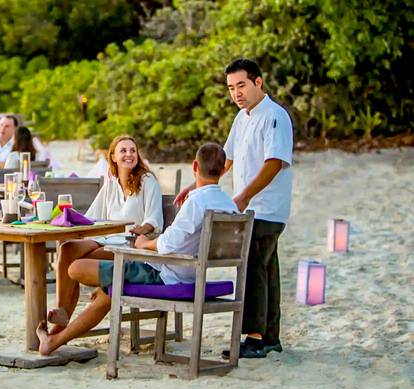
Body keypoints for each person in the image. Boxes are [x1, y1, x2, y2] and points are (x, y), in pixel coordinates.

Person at [175, 59, 293, 359]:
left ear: (258, 82)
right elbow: (226, 159)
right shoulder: (242, 118)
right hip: (250, 207)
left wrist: (243, 197)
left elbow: (275, 163)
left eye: (241, 85)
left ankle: (254, 339)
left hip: (266, 208)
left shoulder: (275, 116)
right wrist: (196, 185)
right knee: (267, 269)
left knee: (253, 267)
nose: (236, 93)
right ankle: (270, 338)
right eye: (231, 88)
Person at [36, 135, 163, 355]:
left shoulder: (147, 180)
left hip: (130, 246)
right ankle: (63, 312)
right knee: (67, 248)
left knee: (78, 261)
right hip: (108, 241)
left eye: (132, 150)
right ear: (113, 156)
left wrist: (144, 228)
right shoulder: (111, 183)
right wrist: (65, 217)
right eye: (123, 151)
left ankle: (59, 326)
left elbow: (155, 219)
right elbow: (92, 219)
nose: (128, 155)